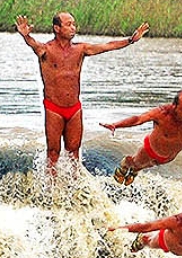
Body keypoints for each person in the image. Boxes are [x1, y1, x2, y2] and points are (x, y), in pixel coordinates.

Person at [16, 12, 147, 171]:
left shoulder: (80, 49)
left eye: (74, 24)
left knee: (74, 151)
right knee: (53, 152)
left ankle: (75, 186)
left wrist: (130, 40)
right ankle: (51, 188)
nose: (73, 28)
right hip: (53, 108)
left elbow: (107, 46)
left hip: (74, 109)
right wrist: (26, 37)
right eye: (68, 24)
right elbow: (34, 45)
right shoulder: (46, 50)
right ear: (57, 28)